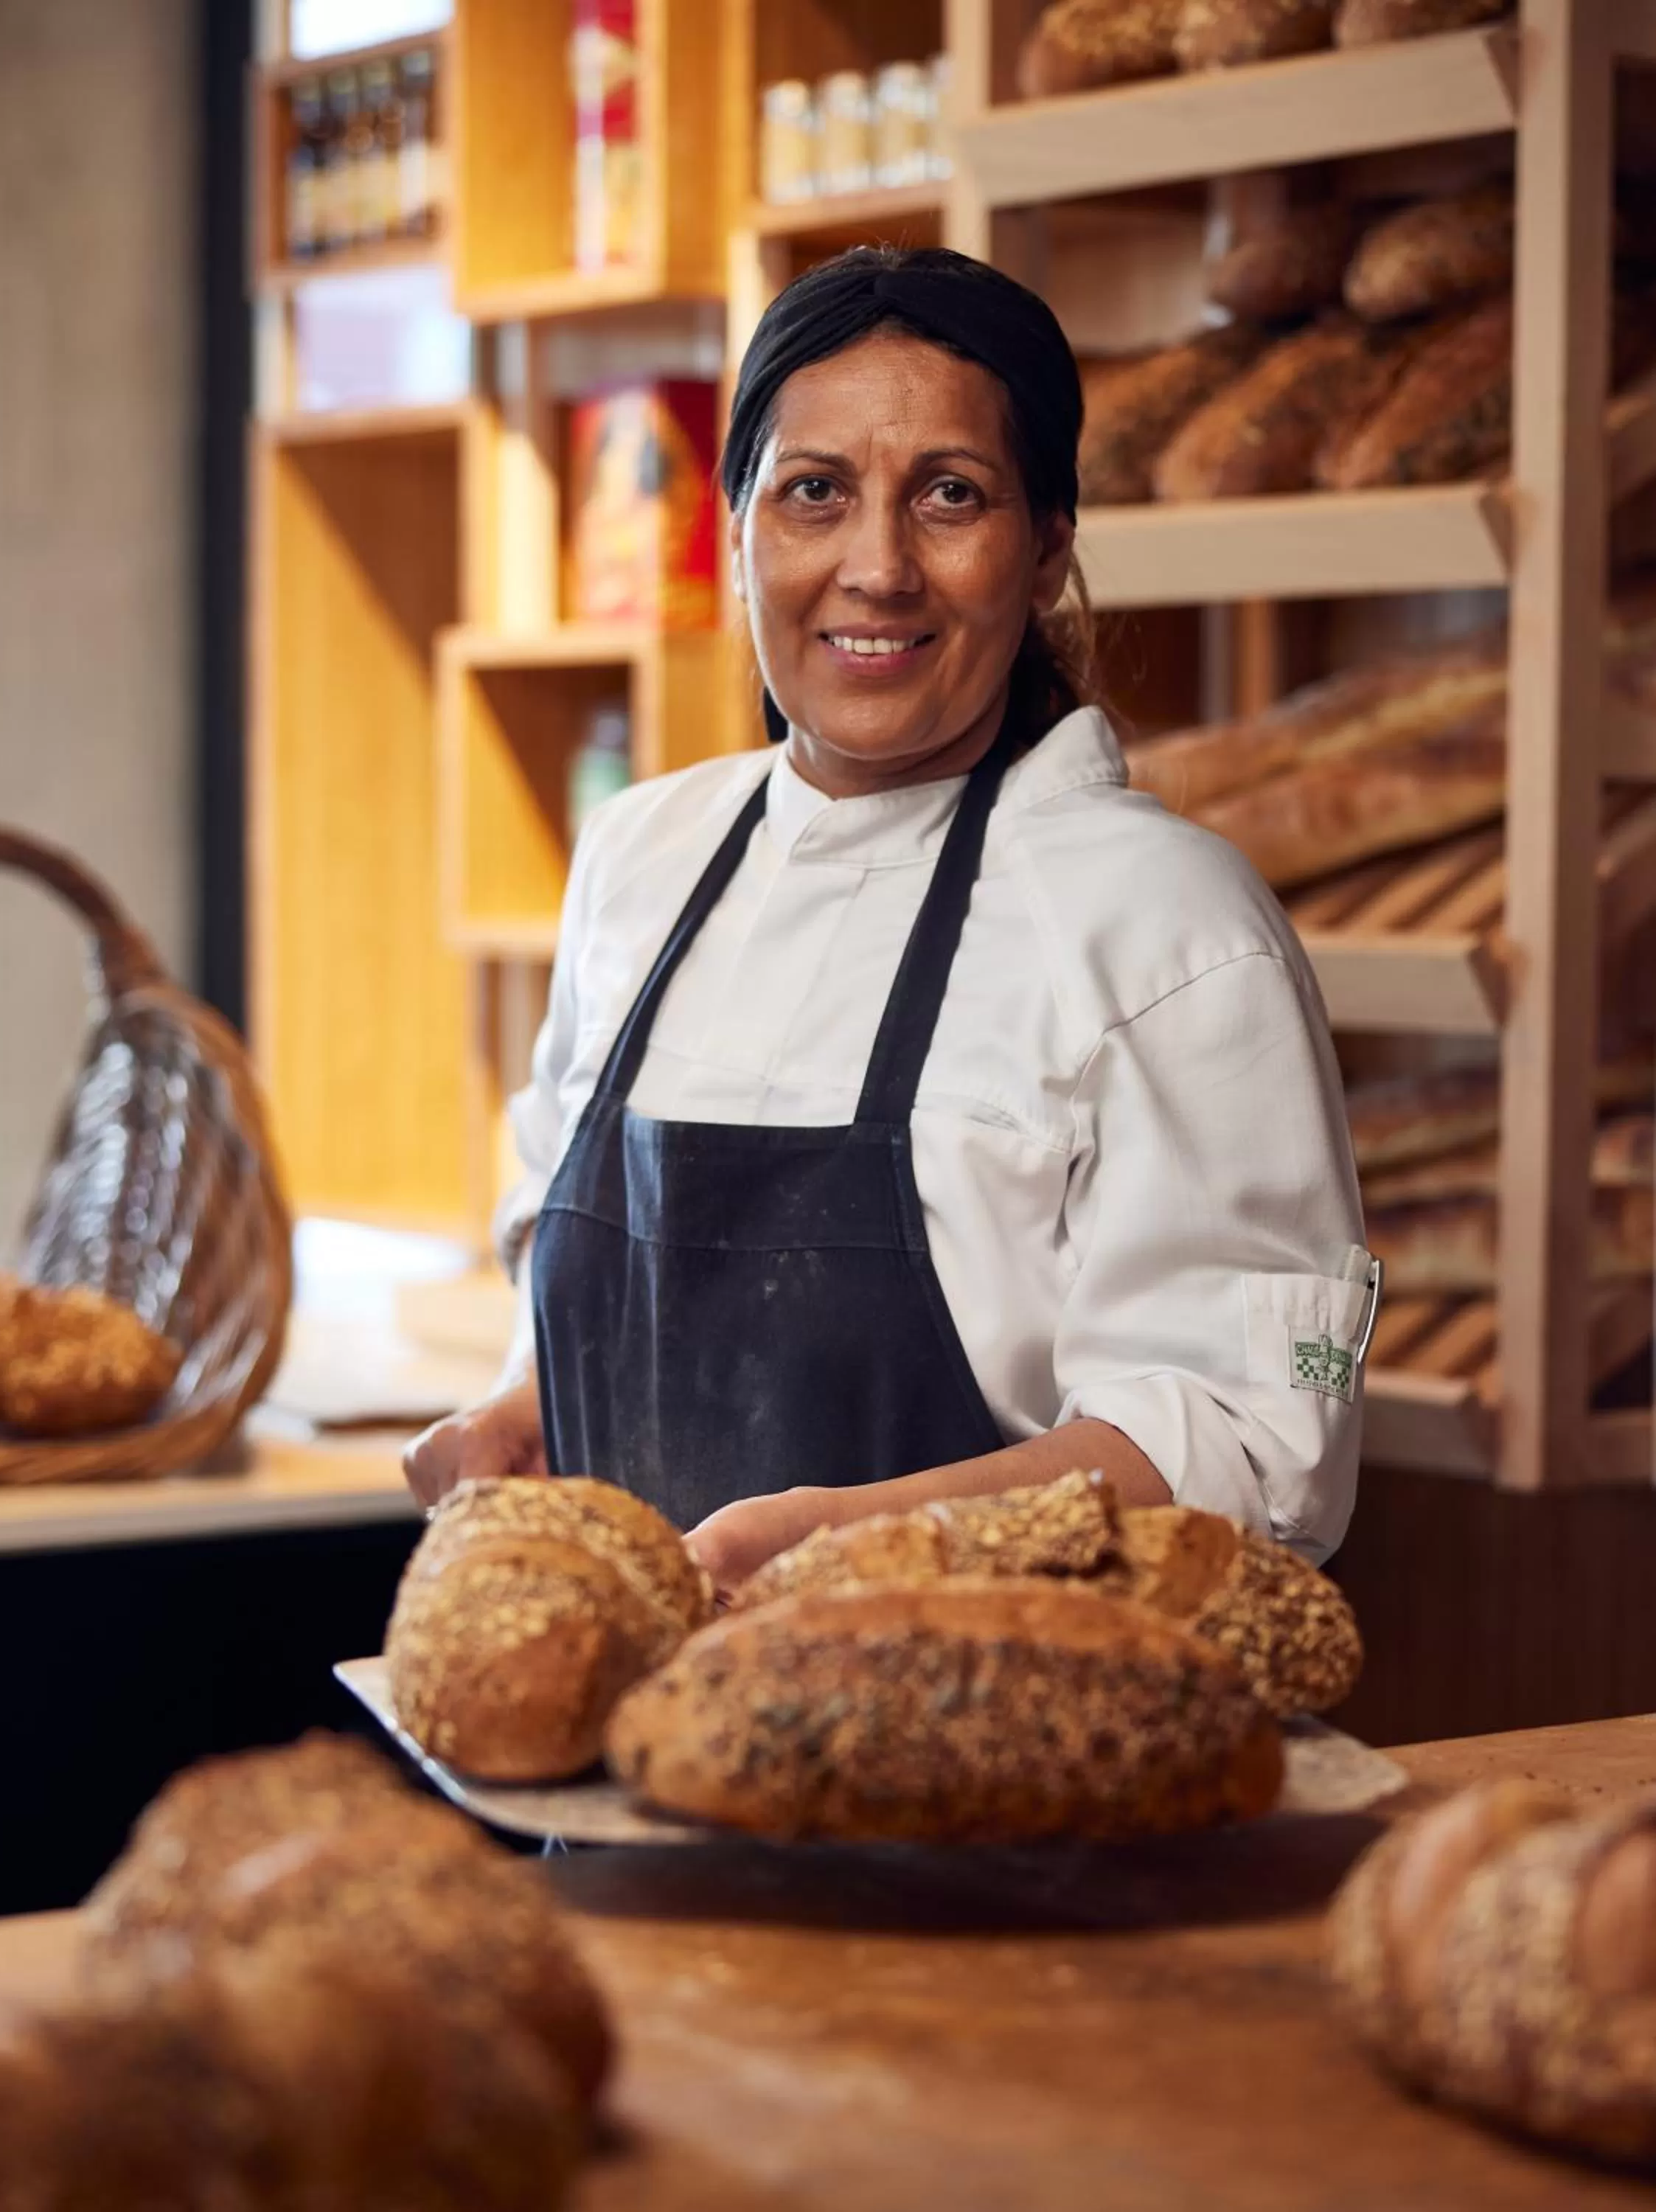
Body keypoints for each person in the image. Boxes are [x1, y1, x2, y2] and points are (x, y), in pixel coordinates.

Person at [406, 246, 1374, 1601]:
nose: (877, 567)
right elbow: (568, 1267)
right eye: (814, 493)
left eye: (949, 496)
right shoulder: (639, 859)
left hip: (996, 1768)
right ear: (738, 526)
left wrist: (851, 1545)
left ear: (1044, 551)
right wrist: (522, 1409)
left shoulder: (1166, 925)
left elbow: (1250, 1444)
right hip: (628, 1775)